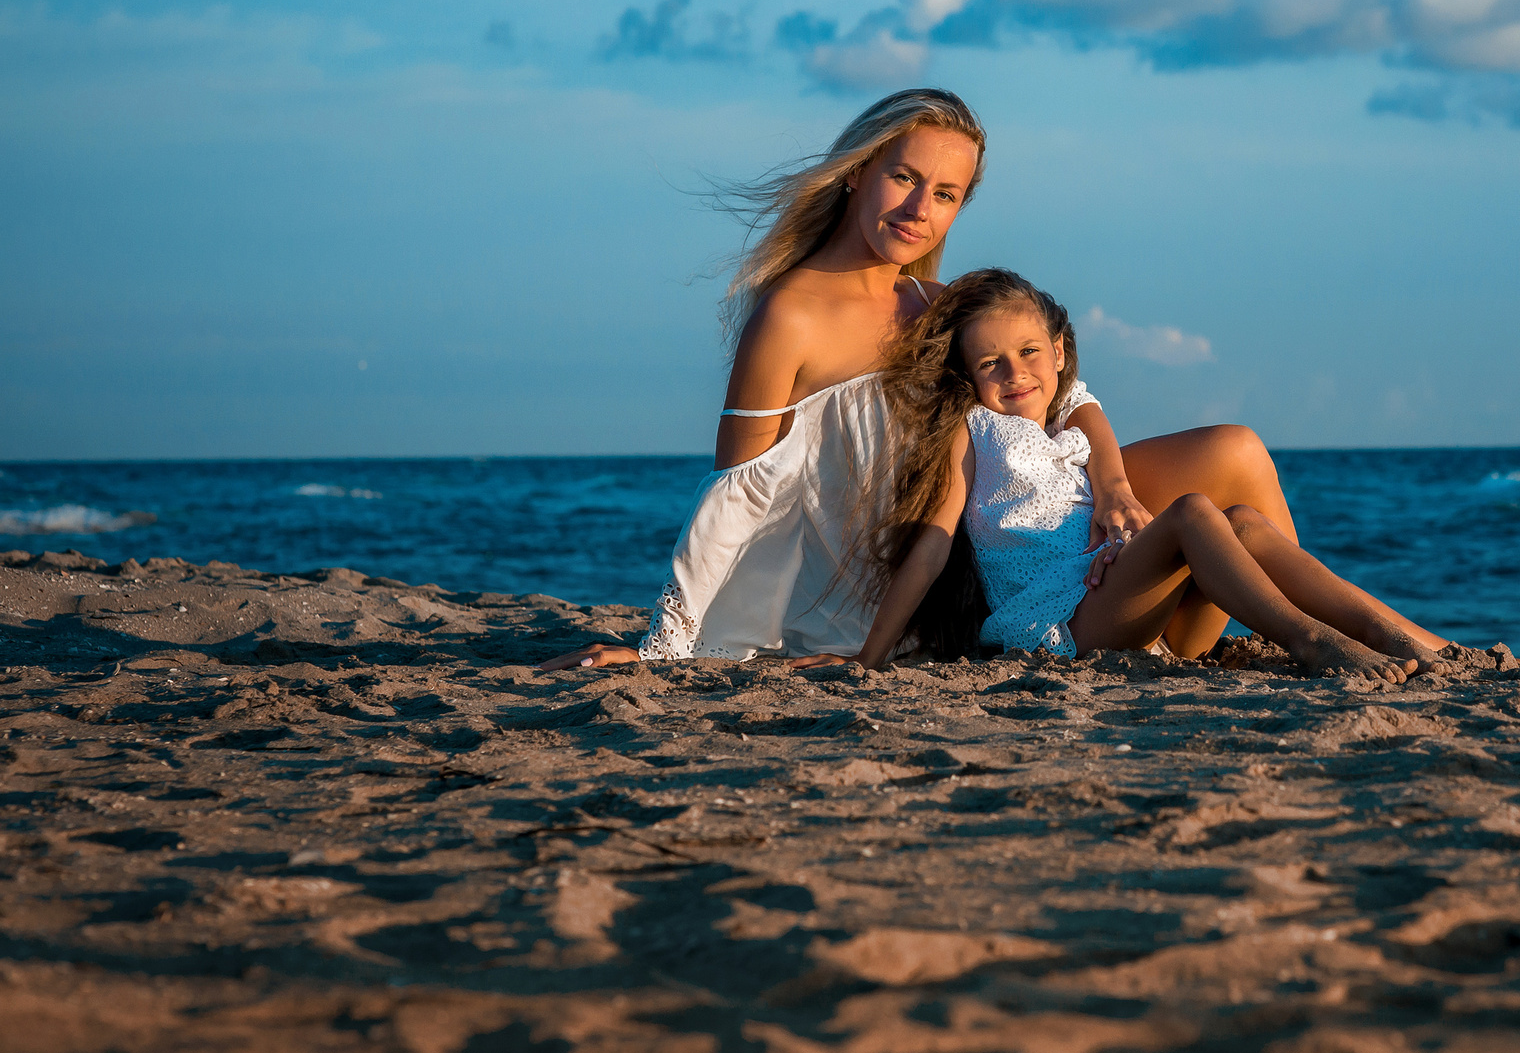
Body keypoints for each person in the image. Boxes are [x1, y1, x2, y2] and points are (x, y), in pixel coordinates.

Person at [538, 88, 1321, 670]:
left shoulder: (935, 303)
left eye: (945, 194)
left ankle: (1249, 639)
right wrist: (665, 648)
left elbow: (1064, 394)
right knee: (1216, 487)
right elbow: (737, 494)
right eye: (903, 177)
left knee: (1236, 451)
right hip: (940, 577)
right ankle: (1260, 639)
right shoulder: (790, 316)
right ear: (856, 172)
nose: (920, 207)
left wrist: (1112, 483)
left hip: (1024, 522)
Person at [849, 269, 1450, 680]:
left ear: (1058, 351)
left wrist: (1114, 512)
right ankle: (1309, 640)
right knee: (1190, 511)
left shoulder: (1068, 416)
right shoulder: (975, 429)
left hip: (1137, 614)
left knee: (1241, 520)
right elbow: (933, 543)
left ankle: (1409, 639)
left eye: (1029, 352)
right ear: (969, 376)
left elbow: (1088, 413)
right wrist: (867, 660)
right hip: (1066, 622)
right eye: (991, 363)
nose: (1015, 373)